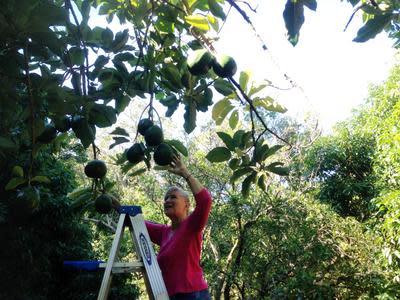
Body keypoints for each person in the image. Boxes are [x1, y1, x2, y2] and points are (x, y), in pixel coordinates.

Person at [144, 154, 212, 299]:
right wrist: (117, 206)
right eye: (166, 198)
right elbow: (138, 223)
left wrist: (185, 173)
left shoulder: (191, 225)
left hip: (193, 295)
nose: (167, 200)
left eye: (173, 197)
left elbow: (205, 200)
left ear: (187, 204)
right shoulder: (164, 232)